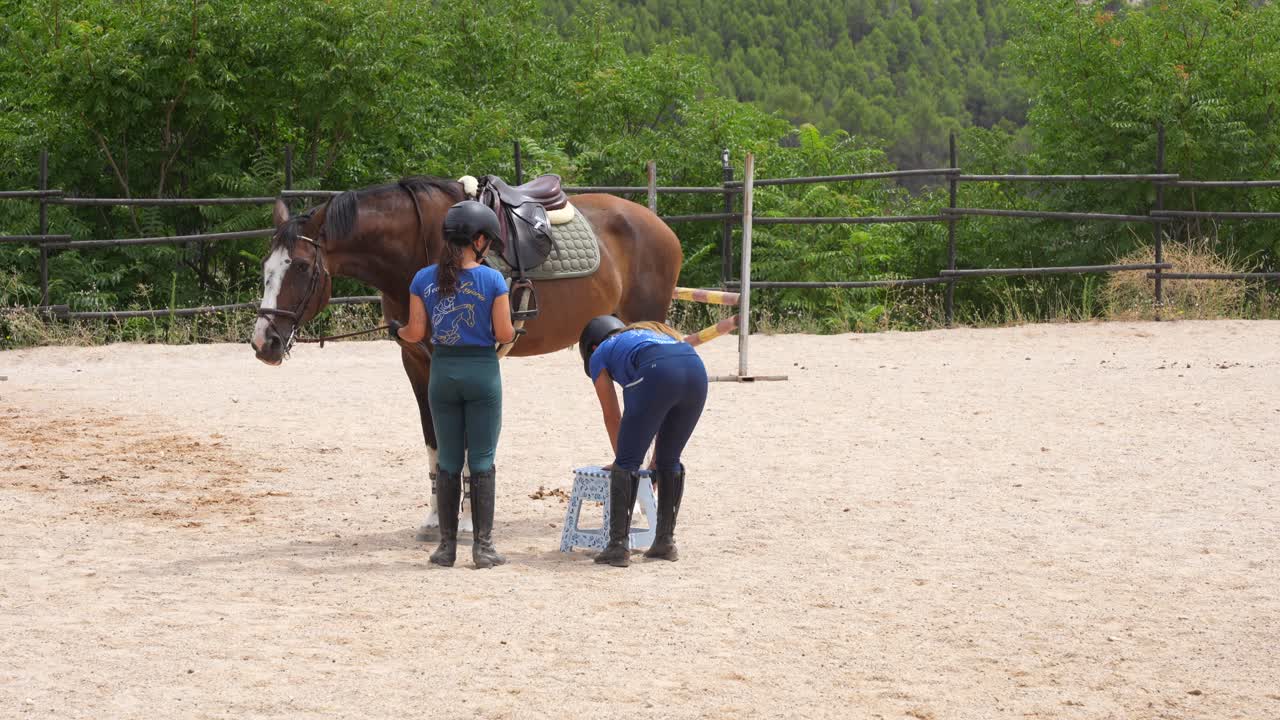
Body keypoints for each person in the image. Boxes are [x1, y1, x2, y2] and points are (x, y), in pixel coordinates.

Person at [390, 200, 516, 569]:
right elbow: (505, 332)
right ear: (477, 240)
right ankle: (483, 547)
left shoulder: (422, 279)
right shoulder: (492, 280)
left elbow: (415, 333)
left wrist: (396, 331)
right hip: (482, 373)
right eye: (487, 241)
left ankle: (446, 548)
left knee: (447, 458)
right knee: (481, 459)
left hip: (442, 373)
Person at [578, 315, 708, 567]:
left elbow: (612, 414)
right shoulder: (651, 334)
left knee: (626, 463)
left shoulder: (600, 353)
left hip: (657, 372)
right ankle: (664, 542)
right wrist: (651, 464)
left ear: (591, 346)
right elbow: (659, 416)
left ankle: (617, 546)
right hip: (695, 370)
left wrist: (625, 461)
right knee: (670, 459)